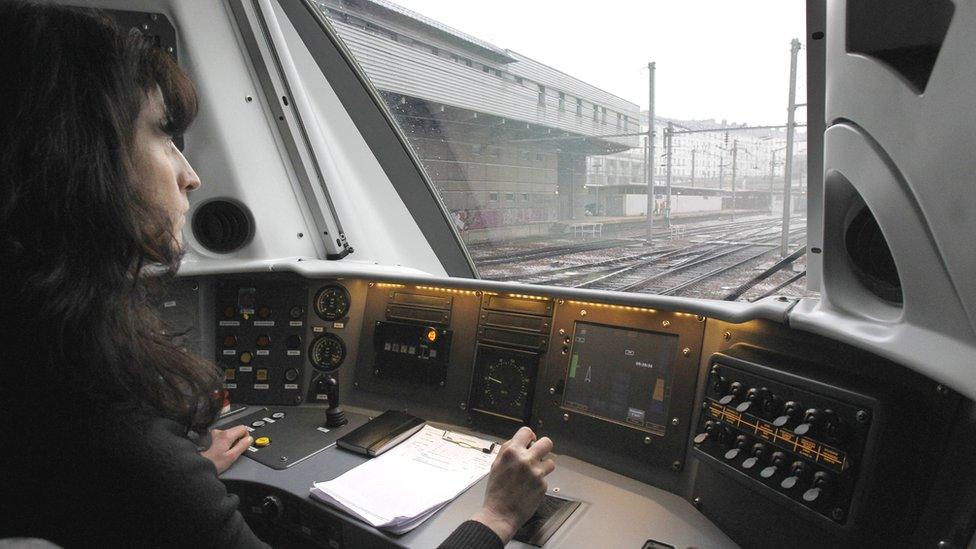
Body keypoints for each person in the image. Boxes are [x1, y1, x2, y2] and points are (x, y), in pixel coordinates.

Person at [0, 3, 554, 548]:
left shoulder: (42, 381)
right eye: (164, 135)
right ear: (77, 158)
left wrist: (185, 476)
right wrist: (498, 517)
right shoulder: (121, 443)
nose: (190, 176)